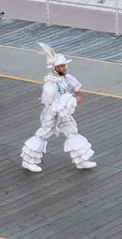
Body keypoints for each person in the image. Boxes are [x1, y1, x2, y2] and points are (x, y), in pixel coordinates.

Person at [21, 43, 96, 173]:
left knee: (72, 131)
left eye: (64, 65)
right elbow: (50, 99)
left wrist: (76, 94)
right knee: (43, 134)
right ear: (55, 68)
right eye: (61, 66)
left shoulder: (65, 78)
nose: (64, 68)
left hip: (63, 112)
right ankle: (28, 161)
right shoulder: (51, 81)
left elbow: (74, 88)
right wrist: (72, 100)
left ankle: (81, 160)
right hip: (53, 112)